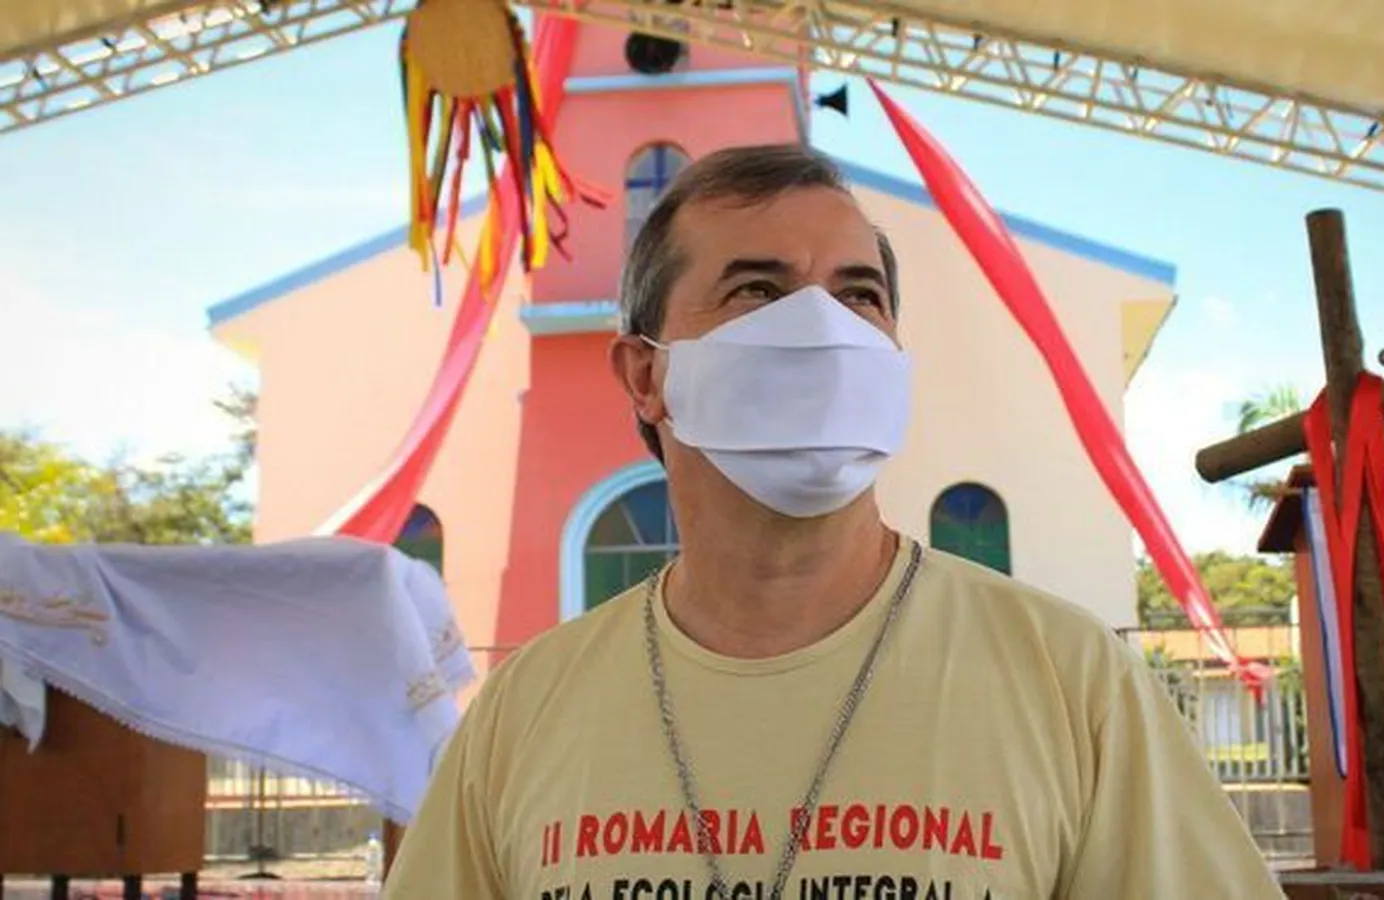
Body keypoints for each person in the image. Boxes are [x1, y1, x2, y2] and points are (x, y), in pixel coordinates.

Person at [384, 143, 1284, 899]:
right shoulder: (525, 712)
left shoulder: (1070, 680)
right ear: (647, 376)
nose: (823, 325)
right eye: (756, 290)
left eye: (860, 296)